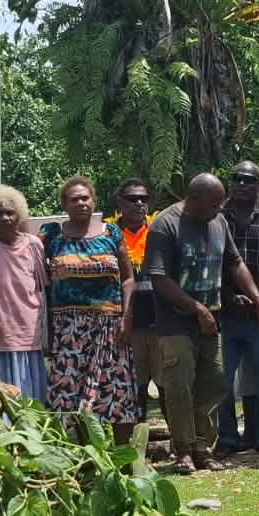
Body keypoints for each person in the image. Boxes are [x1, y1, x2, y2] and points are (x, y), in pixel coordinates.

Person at [146, 174, 259, 473]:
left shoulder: (218, 222)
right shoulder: (165, 225)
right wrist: (196, 309)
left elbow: (235, 264)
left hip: (211, 320)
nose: (219, 209)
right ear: (194, 199)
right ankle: (183, 450)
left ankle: (202, 447)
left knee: (214, 382)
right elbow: (159, 278)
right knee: (179, 386)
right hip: (175, 323)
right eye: (214, 204)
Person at [41, 176, 141, 438]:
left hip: (110, 327)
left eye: (85, 198)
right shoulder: (52, 236)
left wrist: (127, 317)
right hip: (68, 331)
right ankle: (79, 453)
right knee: (68, 394)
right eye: (74, 199)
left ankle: (123, 454)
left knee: (116, 391)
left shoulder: (111, 233)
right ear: (65, 204)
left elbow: (128, 278)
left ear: (94, 201)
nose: (81, 203)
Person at [217, 162, 259, 457]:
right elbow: (211, 260)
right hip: (226, 309)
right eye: (237, 178)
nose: (242, 184)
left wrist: (255, 296)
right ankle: (227, 438)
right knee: (222, 378)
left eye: (248, 180)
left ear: (258, 183)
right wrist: (231, 295)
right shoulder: (218, 214)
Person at [0, 185, 49, 403]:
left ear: (19, 215)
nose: (5, 218)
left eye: (10, 212)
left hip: (28, 330)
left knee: (30, 399)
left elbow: (43, 287)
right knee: (1, 397)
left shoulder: (34, 245)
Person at [112, 180, 161, 420]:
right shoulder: (109, 234)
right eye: (132, 199)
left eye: (143, 198)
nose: (139, 203)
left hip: (161, 323)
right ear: (120, 203)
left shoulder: (159, 230)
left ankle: (178, 437)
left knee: (167, 385)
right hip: (128, 326)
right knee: (134, 388)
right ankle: (138, 435)